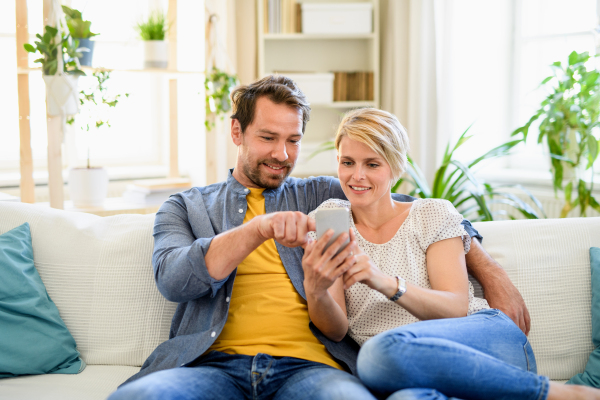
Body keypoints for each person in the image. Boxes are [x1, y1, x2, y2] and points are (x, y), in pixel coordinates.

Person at [108, 75, 530, 400]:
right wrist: (257, 229)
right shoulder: (186, 206)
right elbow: (174, 281)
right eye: (268, 138)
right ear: (237, 133)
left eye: (293, 140)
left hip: (310, 368)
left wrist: (491, 273)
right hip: (210, 366)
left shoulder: (321, 195)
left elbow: (406, 205)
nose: (283, 155)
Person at [302, 107, 600, 400]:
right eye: (348, 162)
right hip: (403, 372)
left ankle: (556, 394)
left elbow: (455, 307)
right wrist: (316, 291)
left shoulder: (431, 213)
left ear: (396, 166)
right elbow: (337, 330)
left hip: (483, 343)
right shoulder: (328, 219)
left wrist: (384, 282)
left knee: (377, 353)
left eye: (372, 164)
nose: (357, 176)